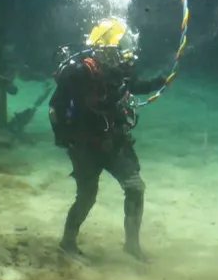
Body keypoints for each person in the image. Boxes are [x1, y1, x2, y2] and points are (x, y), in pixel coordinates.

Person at [48, 17, 168, 263]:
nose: (125, 53)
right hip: (85, 146)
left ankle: (132, 245)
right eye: (120, 47)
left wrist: (160, 81)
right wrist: (66, 139)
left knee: (135, 187)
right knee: (87, 196)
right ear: (105, 49)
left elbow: (133, 86)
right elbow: (56, 108)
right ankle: (67, 243)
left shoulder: (118, 71)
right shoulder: (80, 73)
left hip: (114, 142)